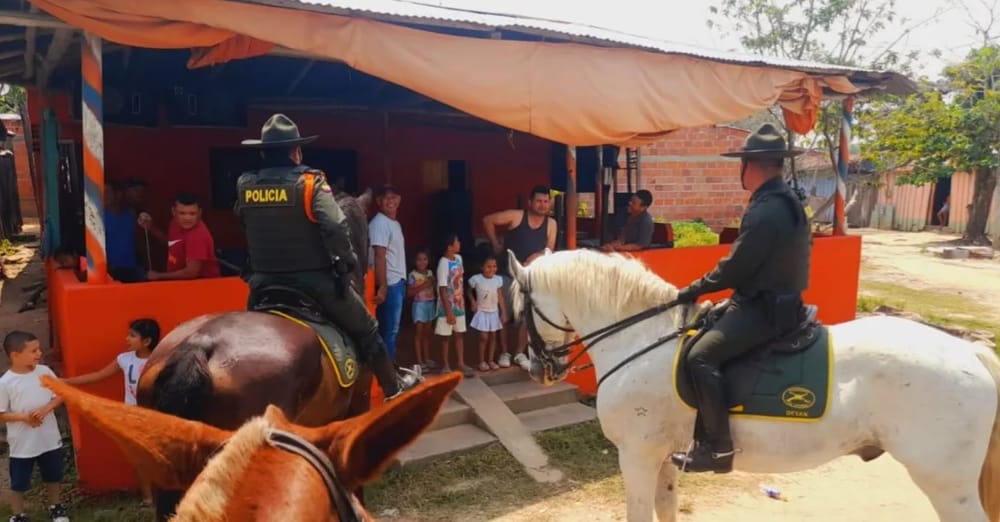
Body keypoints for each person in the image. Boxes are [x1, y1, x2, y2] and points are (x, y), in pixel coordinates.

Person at [234, 113, 420, 401]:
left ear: (262, 152)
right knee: (368, 328)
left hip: (262, 285)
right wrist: (345, 261)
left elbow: (242, 220)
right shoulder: (310, 183)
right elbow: (335, 225)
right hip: (313, 282)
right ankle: (393, 386)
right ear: (296, 152)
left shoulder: (245, 185)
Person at [669, 123, 813, 474]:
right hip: (772, 301)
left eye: (743, 164)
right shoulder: (786, 200)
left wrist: (692, 289)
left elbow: (735, 267)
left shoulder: (767, 209)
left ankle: (718, 450)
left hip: (764, 310)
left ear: (751, 165)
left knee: (700, 357)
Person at [62, 319, 161, 506]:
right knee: (140, 459)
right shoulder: (124, 359)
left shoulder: (161, 359)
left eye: (132, 335)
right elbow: (99, 375)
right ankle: (148, 497)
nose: (127, 338)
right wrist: (68, 382)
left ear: (147, 341)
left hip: (156, 417)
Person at [482, 185, 557, 370]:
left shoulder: (551, 224)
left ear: (550, 204)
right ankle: (504, 353)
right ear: (530, 202)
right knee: (503, 316)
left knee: (527, 318)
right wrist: (495, 243)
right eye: (538, 201)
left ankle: (519, 353)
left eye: (545, 201)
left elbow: (549, 249)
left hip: (531, 278)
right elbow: (488, 220)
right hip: (506, 276)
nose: (542, 205)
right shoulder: (517, 216)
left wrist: (536, 257)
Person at [0, 331, 70, 522]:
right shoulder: (6, 383)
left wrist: (48, 408)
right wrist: (24, 417)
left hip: (48, 438)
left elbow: (62, 393)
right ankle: (18, 515)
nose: (39, 353)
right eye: (33, 351)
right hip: (23, 443)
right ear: (15, 355)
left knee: (53, 475)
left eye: (38, 349)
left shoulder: (44, 372)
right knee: (19, 482)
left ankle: (56, 506)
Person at [140, 192, 221, 281]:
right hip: (180, 284)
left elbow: (191, 273)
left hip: (202, 287)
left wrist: (159, 276)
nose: (187, 218)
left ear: (200, 213)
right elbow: (172, 243)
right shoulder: (174, 224)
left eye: (192, 213)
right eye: (182, 213)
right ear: (173, 212)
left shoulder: (197, 236)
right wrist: (150, 227)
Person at [369, 184, 406, 362]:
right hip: (390, 284)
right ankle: (388, 377)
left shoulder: (394, 223)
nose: (390, 201)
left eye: (393, 197)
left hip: (396, 282)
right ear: (378, 202)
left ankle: (389, 373)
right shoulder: (379, 224)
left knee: (392, 331)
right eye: (386, 198)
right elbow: (379, 255)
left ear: (399, 200)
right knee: (388, 333)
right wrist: (382, 286)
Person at [435, 233, 473, 377]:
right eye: (457, 241)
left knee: (459, 334)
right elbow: (443, 288)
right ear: (449, 246)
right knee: (445, 336)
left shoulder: (459, 259)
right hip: (447, 305)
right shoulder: (443, 263)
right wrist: (448, 311)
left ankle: (461, 363)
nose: (459, 243)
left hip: (459, 303)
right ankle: (445, 364)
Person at [467, 254, 506, 372]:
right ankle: (481, 361)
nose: (491, 269)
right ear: (482, 267)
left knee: (493, 335)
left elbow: (500, 296)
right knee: (483, 337)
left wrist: (503, 311)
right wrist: (473, 301)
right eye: (488, 267)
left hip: (493, 311)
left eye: (494, 266)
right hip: (482, 311)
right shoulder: (476, 279)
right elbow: (468, 291)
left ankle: (490, 360)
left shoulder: (498, 280)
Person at [103, 181, 143, 283]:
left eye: (107, 192)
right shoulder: (98, 217)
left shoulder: (131, 214)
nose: (104, 196)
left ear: (118, 194)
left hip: (133, 269)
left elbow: (138, 240)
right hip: (111, 271)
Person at [407, 248, 438, 372]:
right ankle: (419, 360)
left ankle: (427, 358)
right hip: (419, 305)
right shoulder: (412, 275)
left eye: (425, 259)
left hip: (430, 304)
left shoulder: (430, 273)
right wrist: (424, 285)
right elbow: (409, 292)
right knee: (419, 334)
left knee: (427, 334)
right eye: (419, 260)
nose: (422, 262)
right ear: (415, 261)